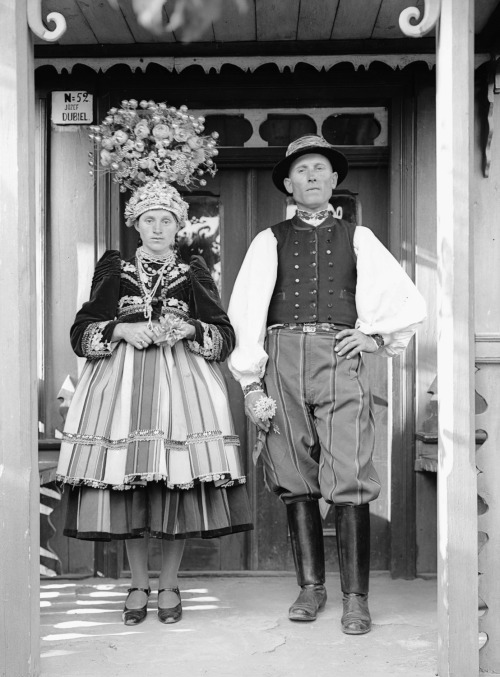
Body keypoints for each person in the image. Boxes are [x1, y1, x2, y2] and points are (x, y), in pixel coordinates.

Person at [56, 101, 252, 627]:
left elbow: (225, 334)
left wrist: (190, 328)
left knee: (174, 487)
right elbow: (81, 331)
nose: (159, 227)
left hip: (181, 387)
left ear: (180, 225)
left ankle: (169, 586)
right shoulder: (113, 268)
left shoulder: (194, 272)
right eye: (150, 219)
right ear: (135, 224)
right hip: (119, 389)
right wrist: (120, 328)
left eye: (168, 219)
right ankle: (137, 585)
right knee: (130, 489)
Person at [227, 134, 426, 634]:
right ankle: (311, 588)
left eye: (320, 169)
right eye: (301, 171)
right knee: (294, 475)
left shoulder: (359, 237)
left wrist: (374, 338)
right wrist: (251, 383)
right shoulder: (268, 239)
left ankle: (355, 599)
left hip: (337, 356)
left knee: (349, 475)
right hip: (281, 356)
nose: (311, 177)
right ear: (288, 185)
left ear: (334, 180)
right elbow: (245, 310)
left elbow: (406, 300)